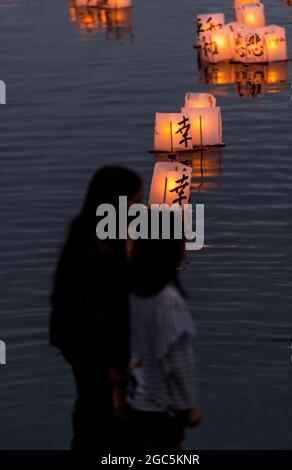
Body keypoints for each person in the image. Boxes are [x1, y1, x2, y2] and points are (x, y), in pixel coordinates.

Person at [50, 166, 142, 451]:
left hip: (84, 351)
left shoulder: (86, 236)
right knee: (106, 425)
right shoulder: (96, 252)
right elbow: (102, 316)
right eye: (135, 202)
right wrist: (116, 378)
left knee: (90, 419)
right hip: (99, 356)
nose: (140, 209)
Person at [128, 213, 202, 451]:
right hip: (159, 409)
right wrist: (188, 407)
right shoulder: (168, 301)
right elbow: (177, 362)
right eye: (181, 243)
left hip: (130, 403)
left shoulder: (128, 294)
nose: (185, 250)